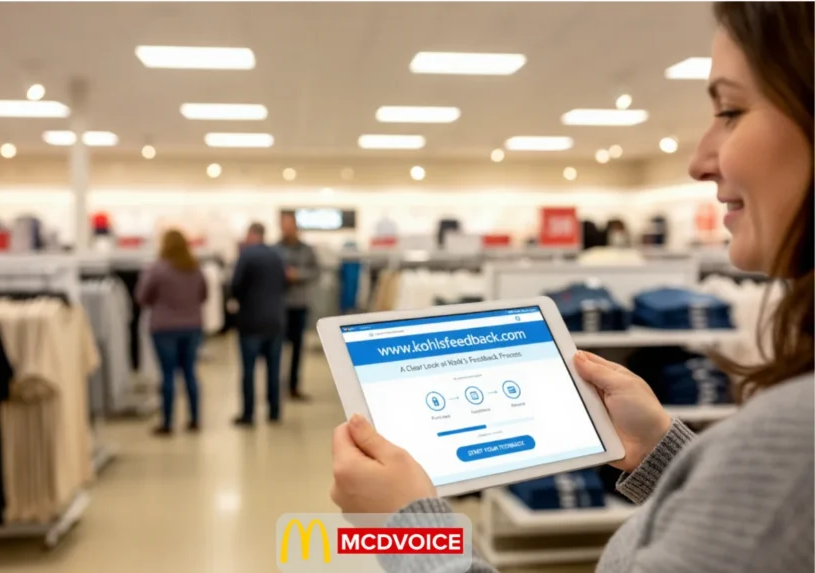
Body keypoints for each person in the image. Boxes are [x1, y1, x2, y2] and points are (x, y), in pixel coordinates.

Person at [329, 3, 814, 572]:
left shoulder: (793, 441)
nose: (699, 160)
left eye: (730, 110)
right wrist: (667, 454)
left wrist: (407, 530)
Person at [136, 229, 207, 436]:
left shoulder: (157, 269)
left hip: (164, 327)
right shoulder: (195, 268)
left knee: (167, 375)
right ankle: (194, 419)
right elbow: (204, 295)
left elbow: (142, 297)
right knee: (190, 373)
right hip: (192, 326)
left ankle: (167, 422)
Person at [230, 223, 287, 426]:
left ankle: (248, 413)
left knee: (248, 369)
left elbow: (235, 286)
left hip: (250, 320)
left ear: (251, 234)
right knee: (274, 369)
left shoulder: (245, 256)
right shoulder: (277, 256)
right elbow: (285, 283)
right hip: (275, 320)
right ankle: (274, 411)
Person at [275, 212, 320, 401]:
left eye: (290, 225)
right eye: (284, 225)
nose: (287, 228)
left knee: (296, 349)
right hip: (279, 306)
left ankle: (294, 386)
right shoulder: (274, 250)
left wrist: (297, 275)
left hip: (299, 305)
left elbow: (315, 272)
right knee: (276, 348)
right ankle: (275, 387)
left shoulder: (307, 250)